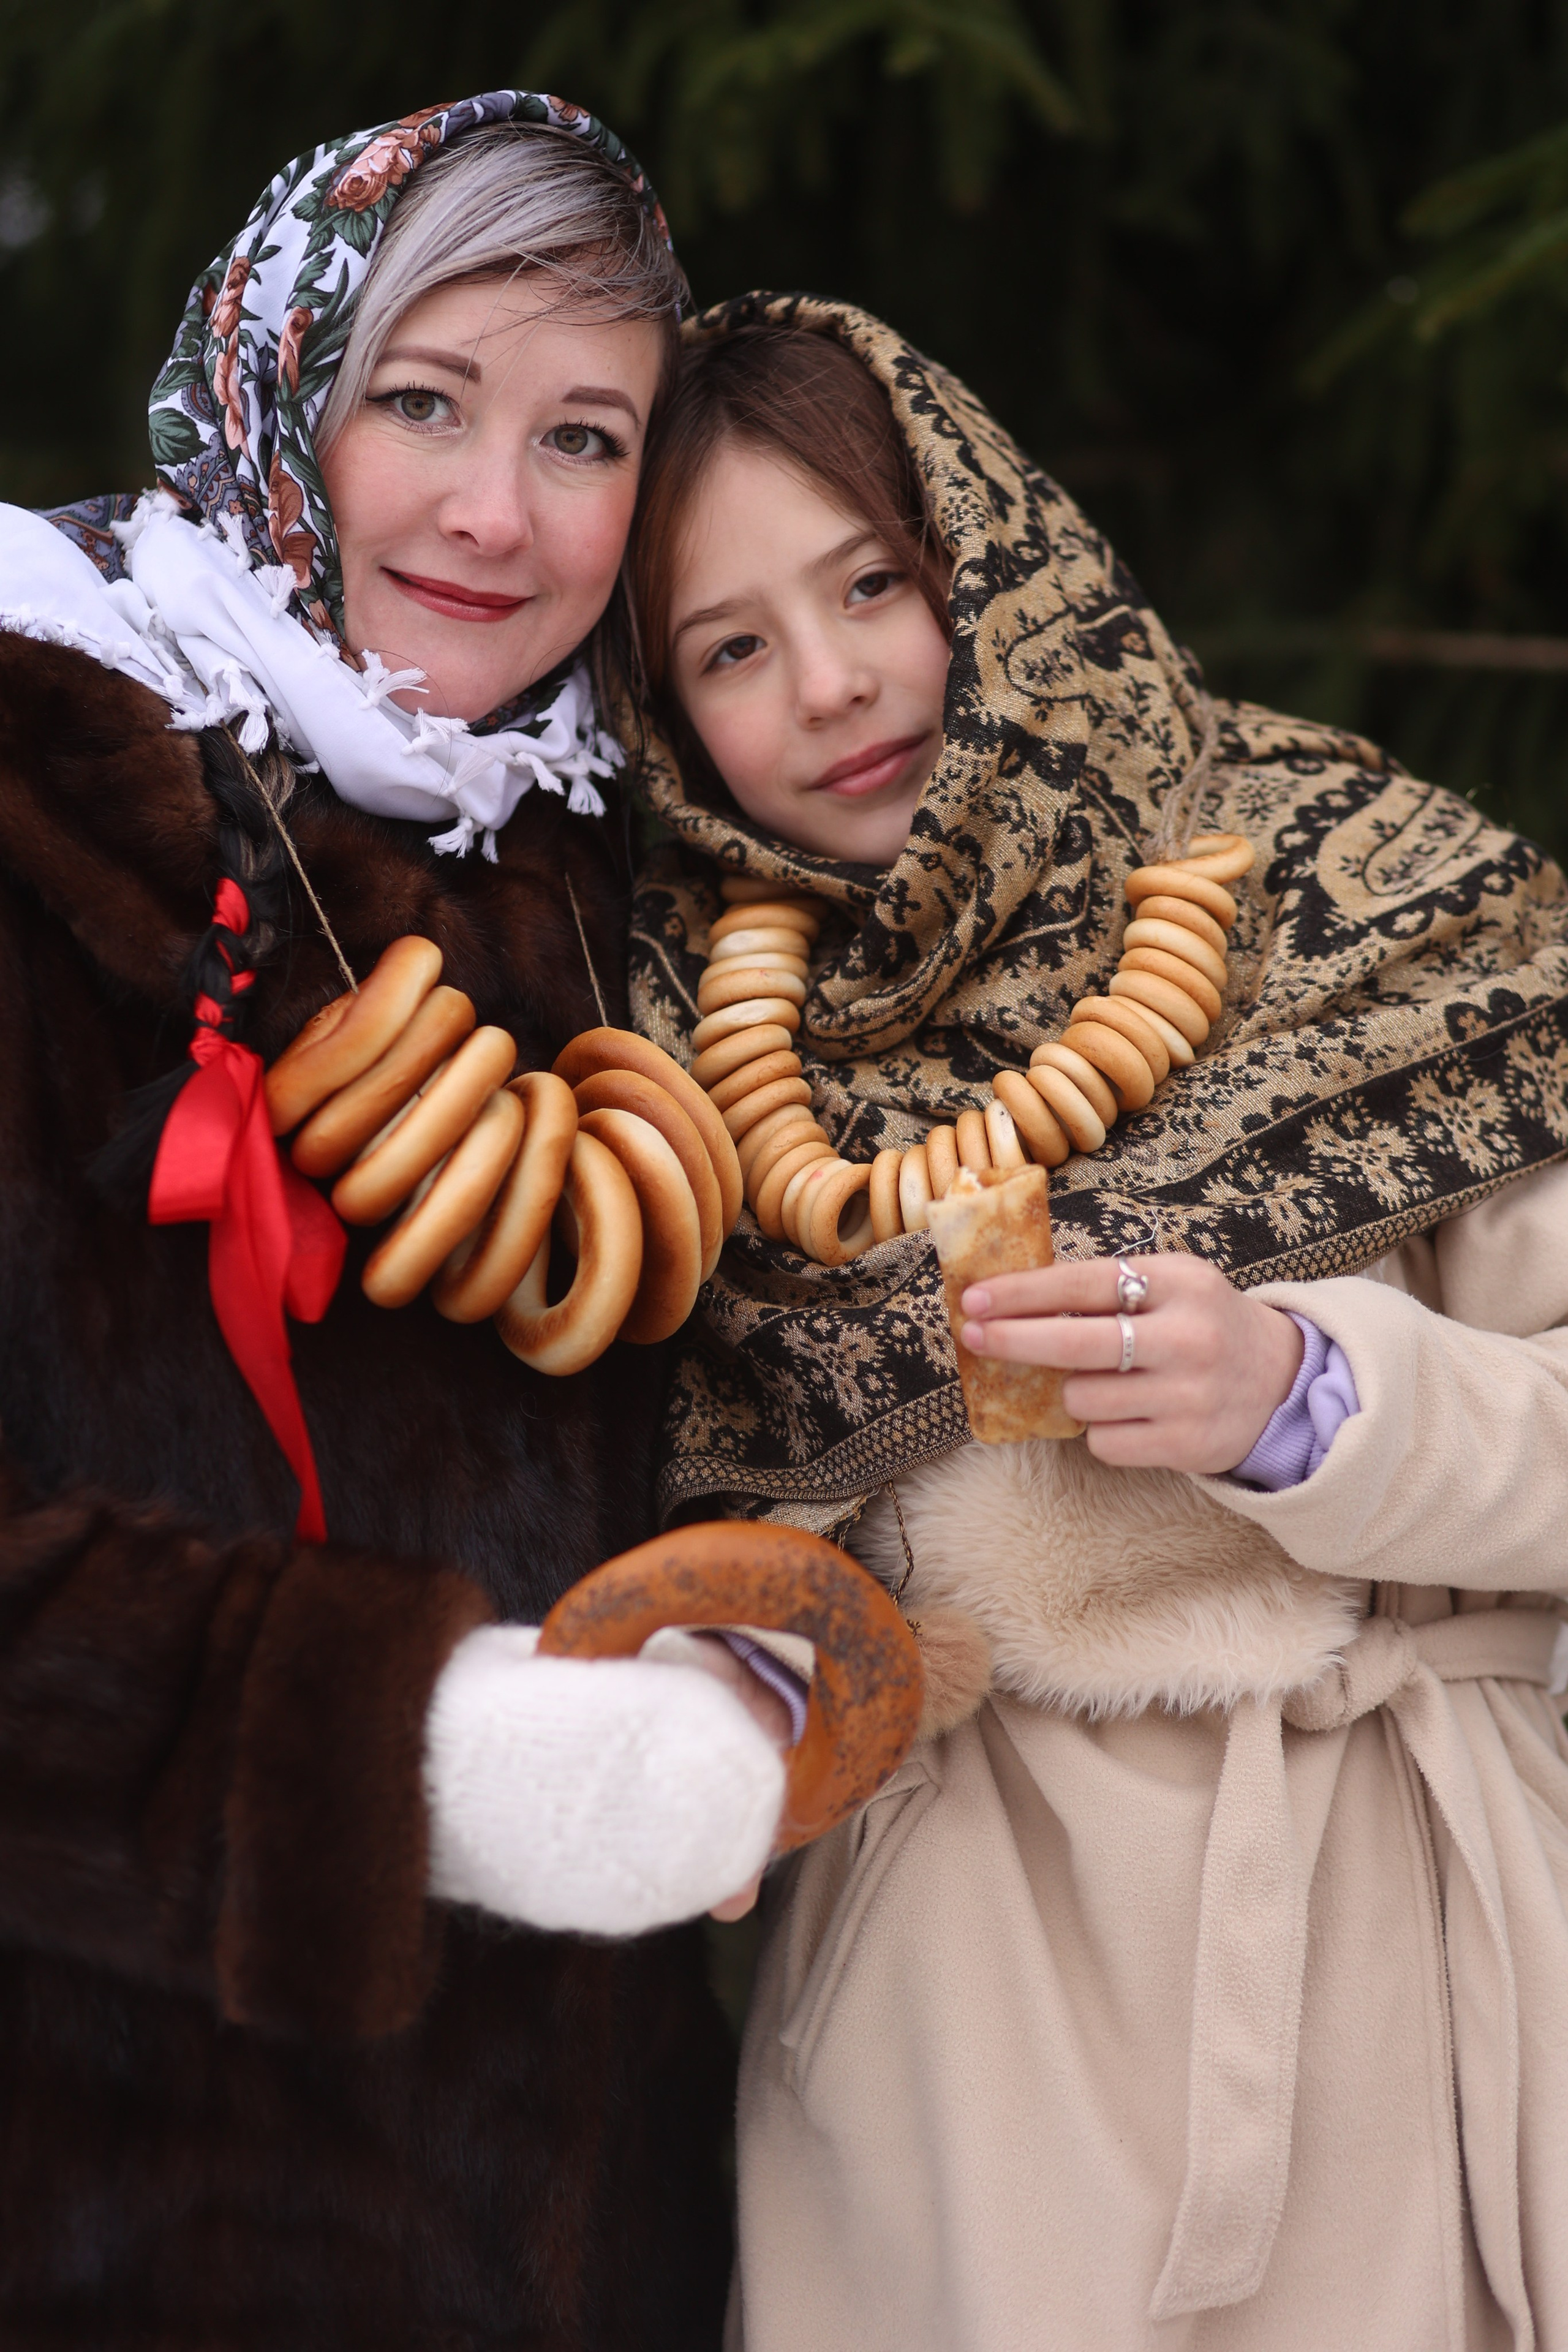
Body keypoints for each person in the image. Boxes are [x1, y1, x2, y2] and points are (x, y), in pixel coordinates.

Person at [621, 307, 1568, 2348]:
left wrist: (1314, 1399)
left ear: (988, 553)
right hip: (967, 2040)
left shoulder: (1364, 888)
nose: (835, 680)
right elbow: (674, 1530)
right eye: (731, 647)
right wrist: (744, 1673)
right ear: (666, 719)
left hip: (1404, 1962)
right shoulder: (676, 1066)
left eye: (873, 580)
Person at [0, 96, 793, 2350]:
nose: (490, 513)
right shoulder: (49, 803)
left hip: (571, 2242)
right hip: (105, 2222)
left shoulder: (600, 875)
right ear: (277, 391)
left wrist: (768, 1625)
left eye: (582, 437)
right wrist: (417, 1753)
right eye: (421, 402)